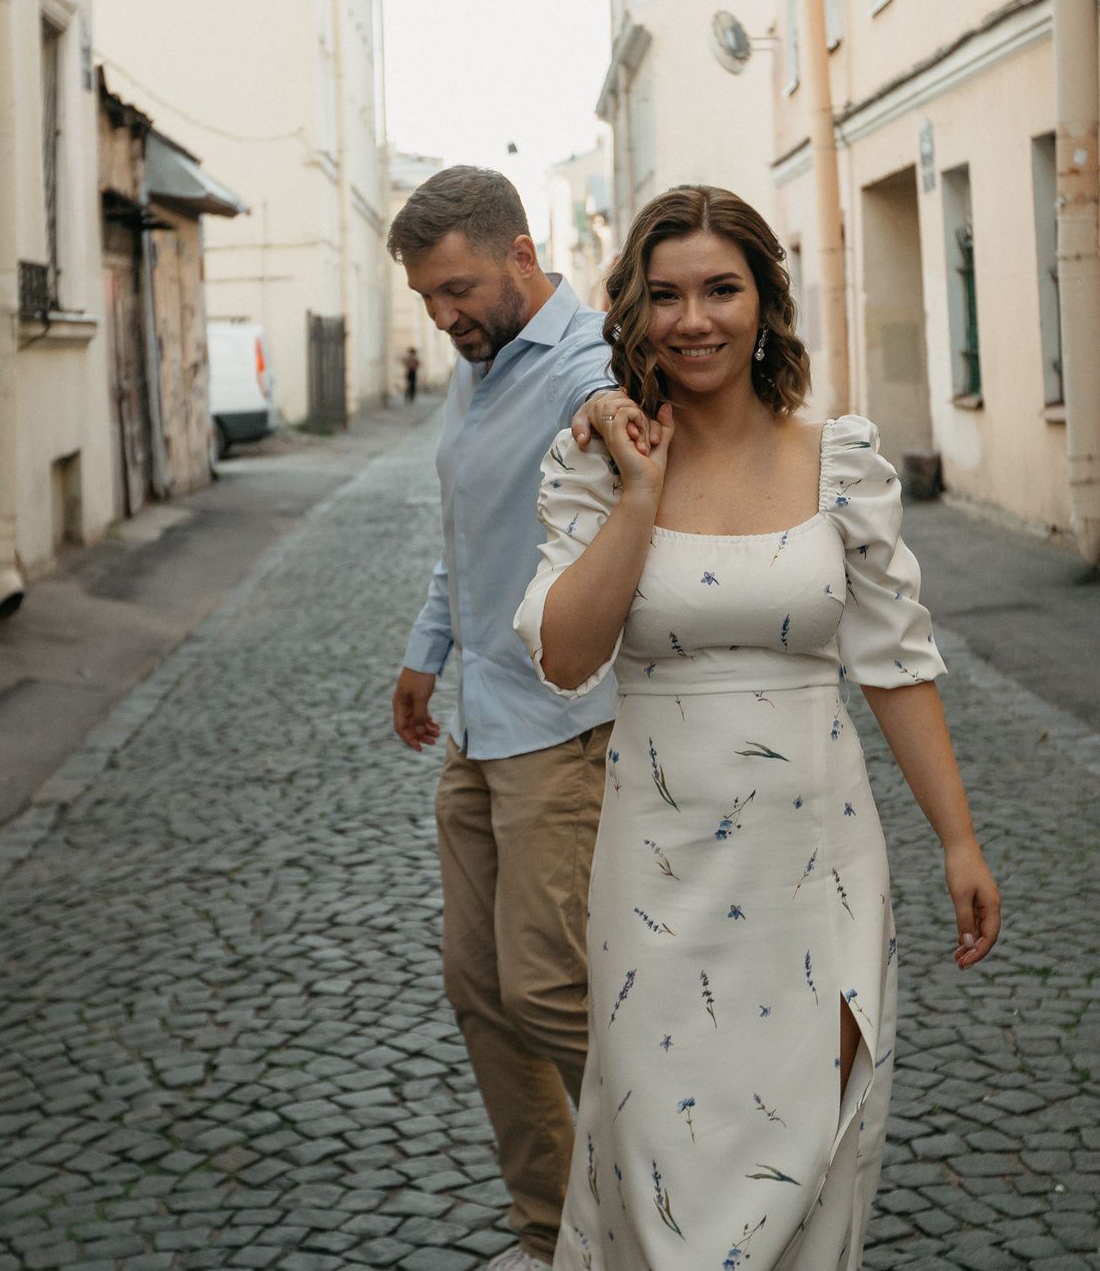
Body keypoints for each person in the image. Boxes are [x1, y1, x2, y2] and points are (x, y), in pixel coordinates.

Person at [515, 184, 1001, 1271]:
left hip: (816, 864)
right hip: (655, 873)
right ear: (634, 312)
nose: (694, 319)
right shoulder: (595, 463)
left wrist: (957, 842)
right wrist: (640, 496)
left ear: (763, 302)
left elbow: (896, 661)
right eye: (667, 295)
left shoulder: (840, 460)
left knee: (809, 1144)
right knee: (662, 1161)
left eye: (720, 289)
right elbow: (562, 655)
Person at [388, 166, 620, 1271]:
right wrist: (423, 656)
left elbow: (601, 393)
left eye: (459, 289)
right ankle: (553, 1238)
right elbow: (463, 534)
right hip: (479, 724)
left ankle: (673, 1215)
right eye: (429, 300)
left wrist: (608, 407)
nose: (445, 317)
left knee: (550, 986)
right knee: (477, 991)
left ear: (522, 254)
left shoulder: (581, 358)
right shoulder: (474, 372)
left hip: (560, 729)